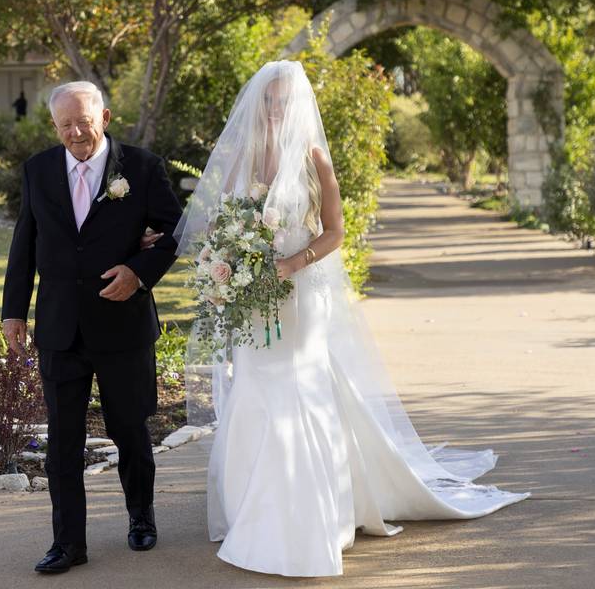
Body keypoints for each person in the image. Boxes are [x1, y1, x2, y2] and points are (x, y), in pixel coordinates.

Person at [174, 61, 529, 577]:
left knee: (297, 392)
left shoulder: (315, 158)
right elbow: (217, 223)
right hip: (252, 299)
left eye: (283, 102)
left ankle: (314, 518)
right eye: (268, 102)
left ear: (296, 106)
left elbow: (334, 232)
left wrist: (291, 264)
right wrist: (226, 265)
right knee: (254, 392)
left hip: (298, 300)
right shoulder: (242, 158)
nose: (275, 111)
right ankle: (258, 509)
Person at [1, 80, 182, 574]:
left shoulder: (142, 169)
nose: (75, 132)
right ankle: (68, 544)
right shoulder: (38, 170)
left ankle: (140, 517)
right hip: (60, 328)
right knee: (62, 441)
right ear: (54, 126)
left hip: (123, 327)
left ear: (104, 117)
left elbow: (173, 233)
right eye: (65, 125)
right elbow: (25, 243)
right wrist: (13, 311)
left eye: (84, 121)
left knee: (130, 432)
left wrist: (138, 273)